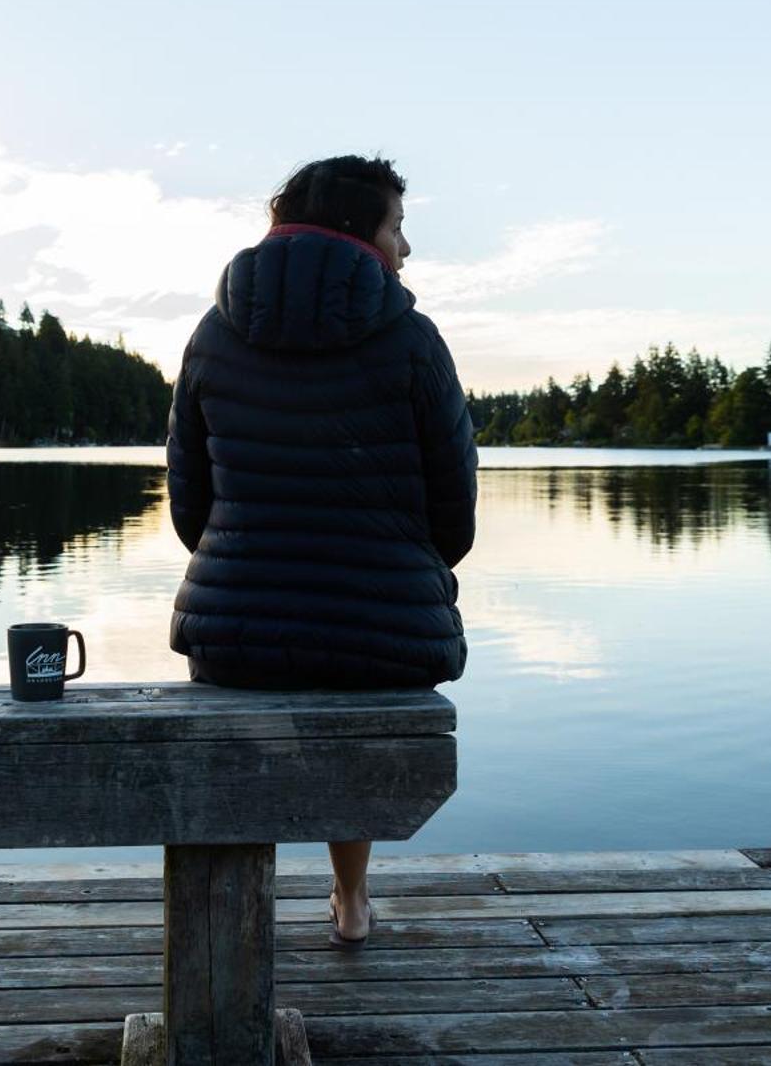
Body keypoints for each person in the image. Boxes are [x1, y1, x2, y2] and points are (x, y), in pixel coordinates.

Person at [164, 154, 479, 948]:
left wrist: (245, 562)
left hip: (236, 635)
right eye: (398, 227)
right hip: (384, 639)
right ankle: (351, 899)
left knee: (251, 709)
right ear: (357, 231)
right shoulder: (412, 338)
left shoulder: (212, 333)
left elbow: (188, 503)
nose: (406, 249)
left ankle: (236, 913)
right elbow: (457, 514)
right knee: (357, 673)